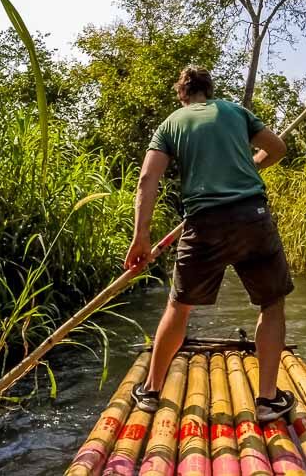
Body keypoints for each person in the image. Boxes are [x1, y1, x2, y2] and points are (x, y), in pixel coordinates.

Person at [123, 65, 296, 422]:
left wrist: (141, 236)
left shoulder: (172, 122)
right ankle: (266, 400)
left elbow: (147, 179)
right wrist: (253, 165)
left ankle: (152, 392)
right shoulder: (234, 111)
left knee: (179, 305)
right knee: (271, 303)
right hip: (253, 216)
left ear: (182, 93)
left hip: (204, 224)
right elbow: (277, 148)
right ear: (209, 90)